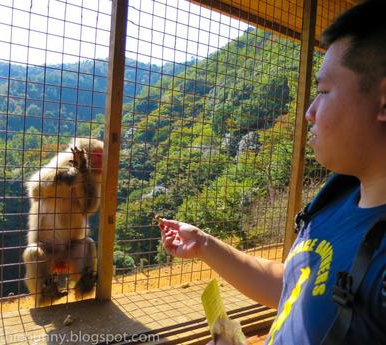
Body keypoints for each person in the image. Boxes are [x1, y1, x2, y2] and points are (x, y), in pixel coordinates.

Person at [158, 1, 386, 344]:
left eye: (323, 91)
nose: (309, 112)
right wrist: (205, 244)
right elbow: (298, 286)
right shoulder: (339, 196)